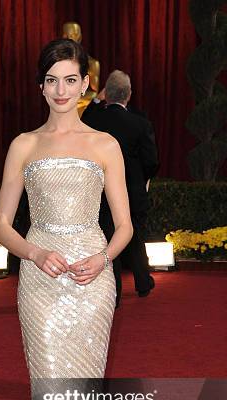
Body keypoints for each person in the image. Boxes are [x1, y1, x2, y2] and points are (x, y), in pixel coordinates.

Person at [0, 39, 138, 400]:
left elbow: (124, 226)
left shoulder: (105, 144)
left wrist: (101, 259)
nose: (60, 89)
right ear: (41, 86)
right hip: (41, 282)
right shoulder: (23, 145)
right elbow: (2, 225)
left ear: (85, 84)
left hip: (92, 284)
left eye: (69, 79)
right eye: (50, 79)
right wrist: (35, 251)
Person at [82, 70, 159, 304]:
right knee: (134, 235)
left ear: (106, 95)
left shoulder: (95, 120)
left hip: (102, 193)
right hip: (133, 192)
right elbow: (152, 162)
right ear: (129, 95)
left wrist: (96, 101)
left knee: (107, 239)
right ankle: (143, 282)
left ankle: (113, 292)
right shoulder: (140, 123)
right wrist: (140, 181)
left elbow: (82, 122)